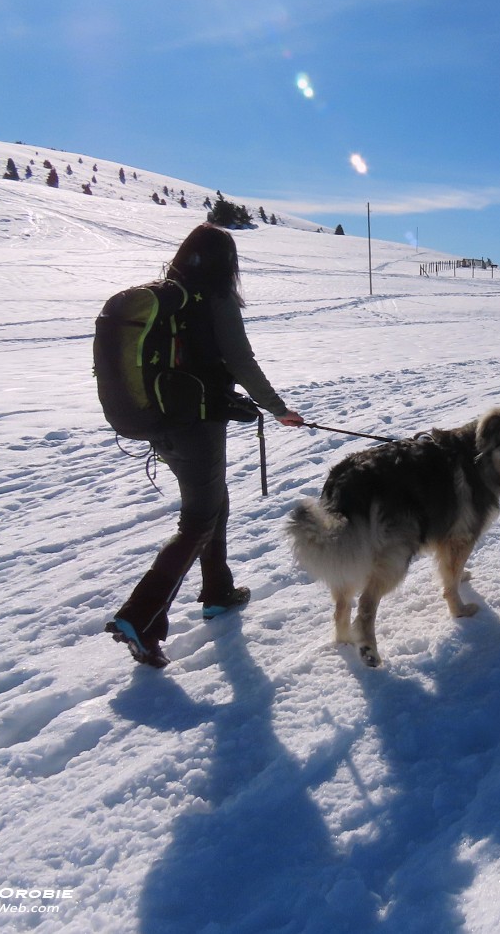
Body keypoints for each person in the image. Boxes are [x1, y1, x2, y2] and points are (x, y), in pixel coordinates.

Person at [106, 223, 304, 667]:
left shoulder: (171, 295)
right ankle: (140, 616)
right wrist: (276, 408)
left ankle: (217, 592)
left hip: (157, 420)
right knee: (199, 518)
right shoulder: (213, 298)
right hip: (193, 425)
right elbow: (241, 360)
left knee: (214, 503)